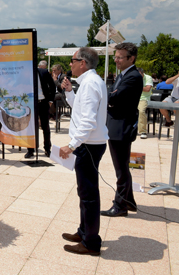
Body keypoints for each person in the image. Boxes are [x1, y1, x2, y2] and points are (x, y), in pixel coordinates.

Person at [59, 47, 108, 256]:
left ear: (83, 63)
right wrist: (70, 92)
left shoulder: (90, 84)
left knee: (88, 195)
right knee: (85, 192)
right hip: (89, 144)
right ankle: (84, 231)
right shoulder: (89, 82)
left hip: (88, 146)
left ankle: (91, 243)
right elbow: (80, 110)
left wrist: (72, 145)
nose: (70, 64)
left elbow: (87, 122)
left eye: (72, 60)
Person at [101, 42, 143, 217]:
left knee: (121, 169)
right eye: (115, 56)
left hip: (122, 127)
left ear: (131, 58)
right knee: (122, 166)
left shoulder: (133, 76)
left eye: (120, 57)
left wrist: (109, 97)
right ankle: (129, 201)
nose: (116, 60)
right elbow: (112, 93)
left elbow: (114, 96)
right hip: (116, 124)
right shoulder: (122, 74)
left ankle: (120, 206)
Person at [25, 64, 56, 158]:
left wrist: (50, 100)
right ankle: (30, 150)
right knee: (30, 127)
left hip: (43, 102)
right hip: (31, 103)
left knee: (45, 126)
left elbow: (52, 86)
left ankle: (47, 149)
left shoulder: (44, 72)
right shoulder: (24, 74)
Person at [137, 68, 153, 139]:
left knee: (141, 111)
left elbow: (147, 89)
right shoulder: (135, 77)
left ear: (142, 73)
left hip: (143, 98)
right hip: (133, 97)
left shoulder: (148, 77)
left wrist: (135, 86)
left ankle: (143, 131)